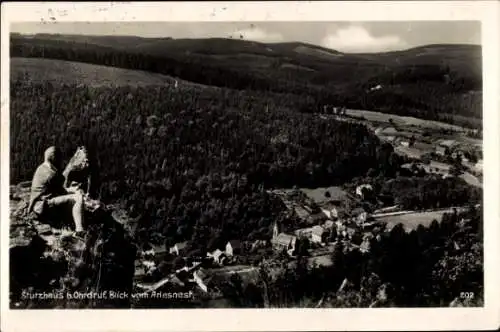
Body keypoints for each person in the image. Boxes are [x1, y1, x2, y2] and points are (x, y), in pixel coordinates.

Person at [27, 146, 85, 237]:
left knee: (73, 197)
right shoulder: (51, 174)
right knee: (78, 198)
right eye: (59, 158)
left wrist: (71, 191)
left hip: (38, 205)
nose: (61, 161)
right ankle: (79, 230)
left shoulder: (42, 168)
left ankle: (70, 224)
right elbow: (62, 192)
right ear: (54, 158)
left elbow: (55, 190)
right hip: (43, 206)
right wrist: (74, 191)